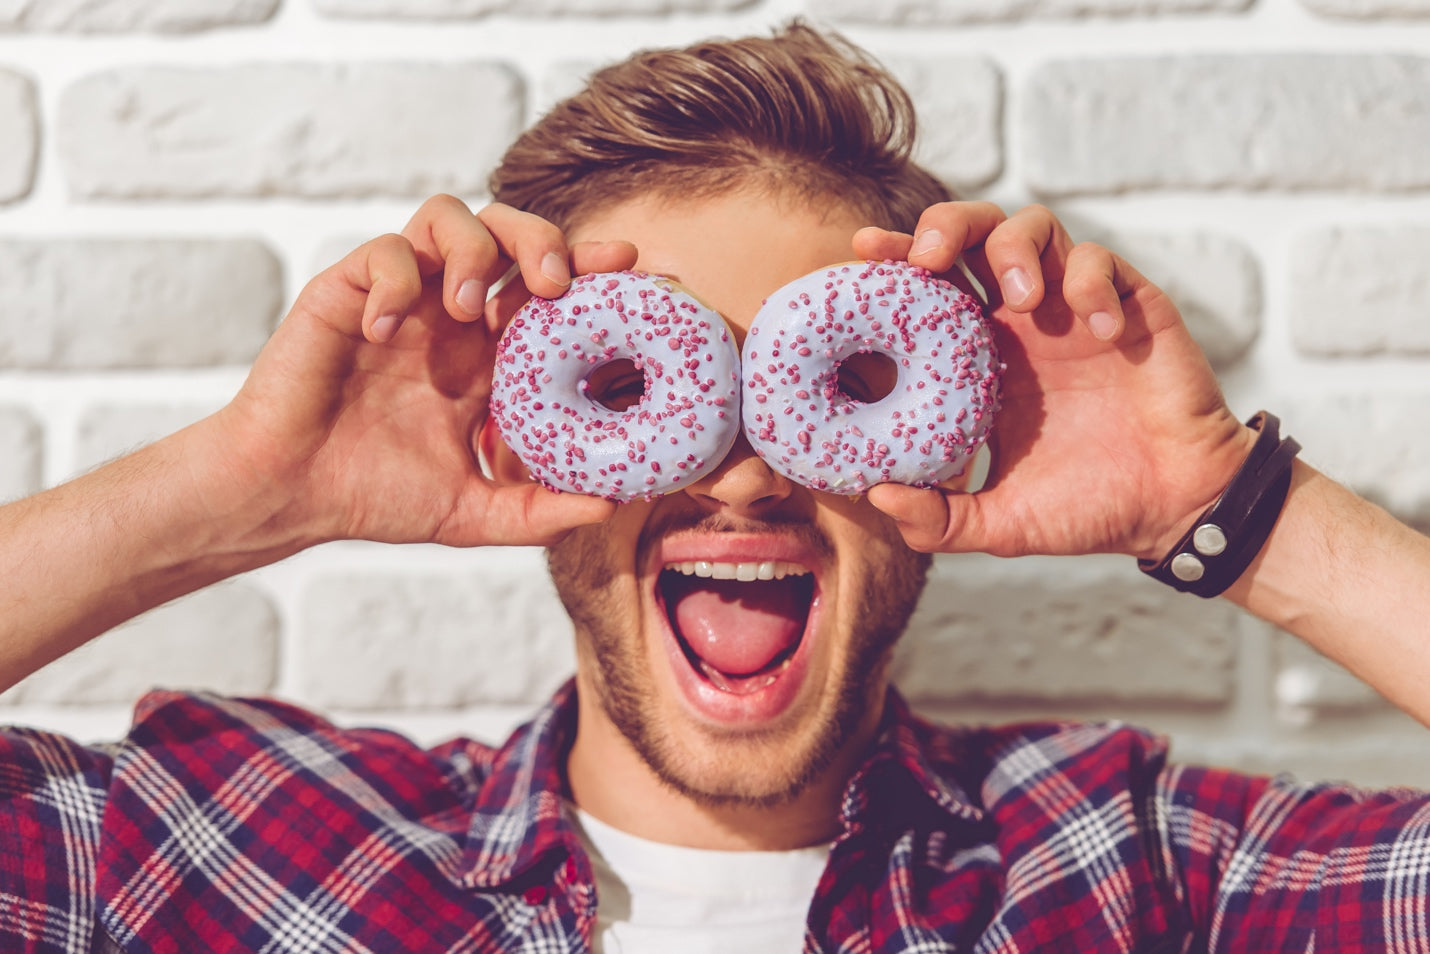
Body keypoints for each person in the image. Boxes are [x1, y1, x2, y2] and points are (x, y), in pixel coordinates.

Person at [3, 22, 1430, 954]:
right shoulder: (221, 847)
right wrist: (248, 486)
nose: (741, 471)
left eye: (828, 393)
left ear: (948, 432)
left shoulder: (1134, 875)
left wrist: (1226, 507)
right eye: (643, 391)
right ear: (520, 431)